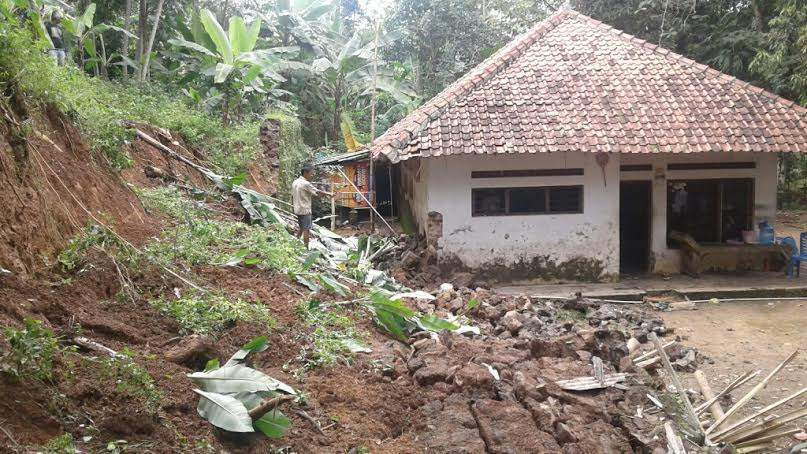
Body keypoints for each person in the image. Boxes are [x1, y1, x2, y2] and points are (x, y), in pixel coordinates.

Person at [292, 165, 331, 248]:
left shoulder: (295, 182)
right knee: (306, 229)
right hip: (305, 210)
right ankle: (306, 248)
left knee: (302, 227)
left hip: (297, 209)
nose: (312, 175)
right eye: (311, 174)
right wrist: (329, 194)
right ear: (305, 173)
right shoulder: (305, 183)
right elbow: (317, 193)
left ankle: (295, 244)